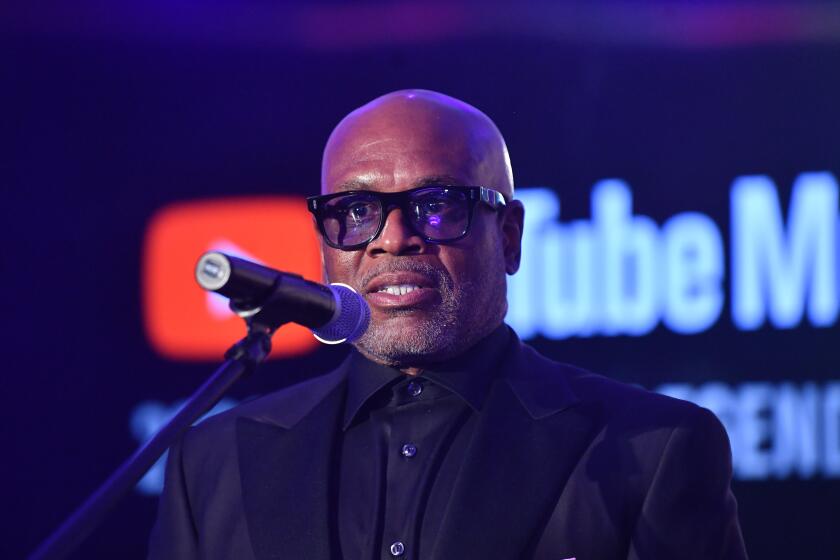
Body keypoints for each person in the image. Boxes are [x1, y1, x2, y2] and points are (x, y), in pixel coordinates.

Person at [148, 90, 748, 559]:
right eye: (356, 212)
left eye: (436, 205)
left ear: (508, 237)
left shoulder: (651, 449)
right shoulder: (213, 462)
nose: (393, 239)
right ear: (325, 244)